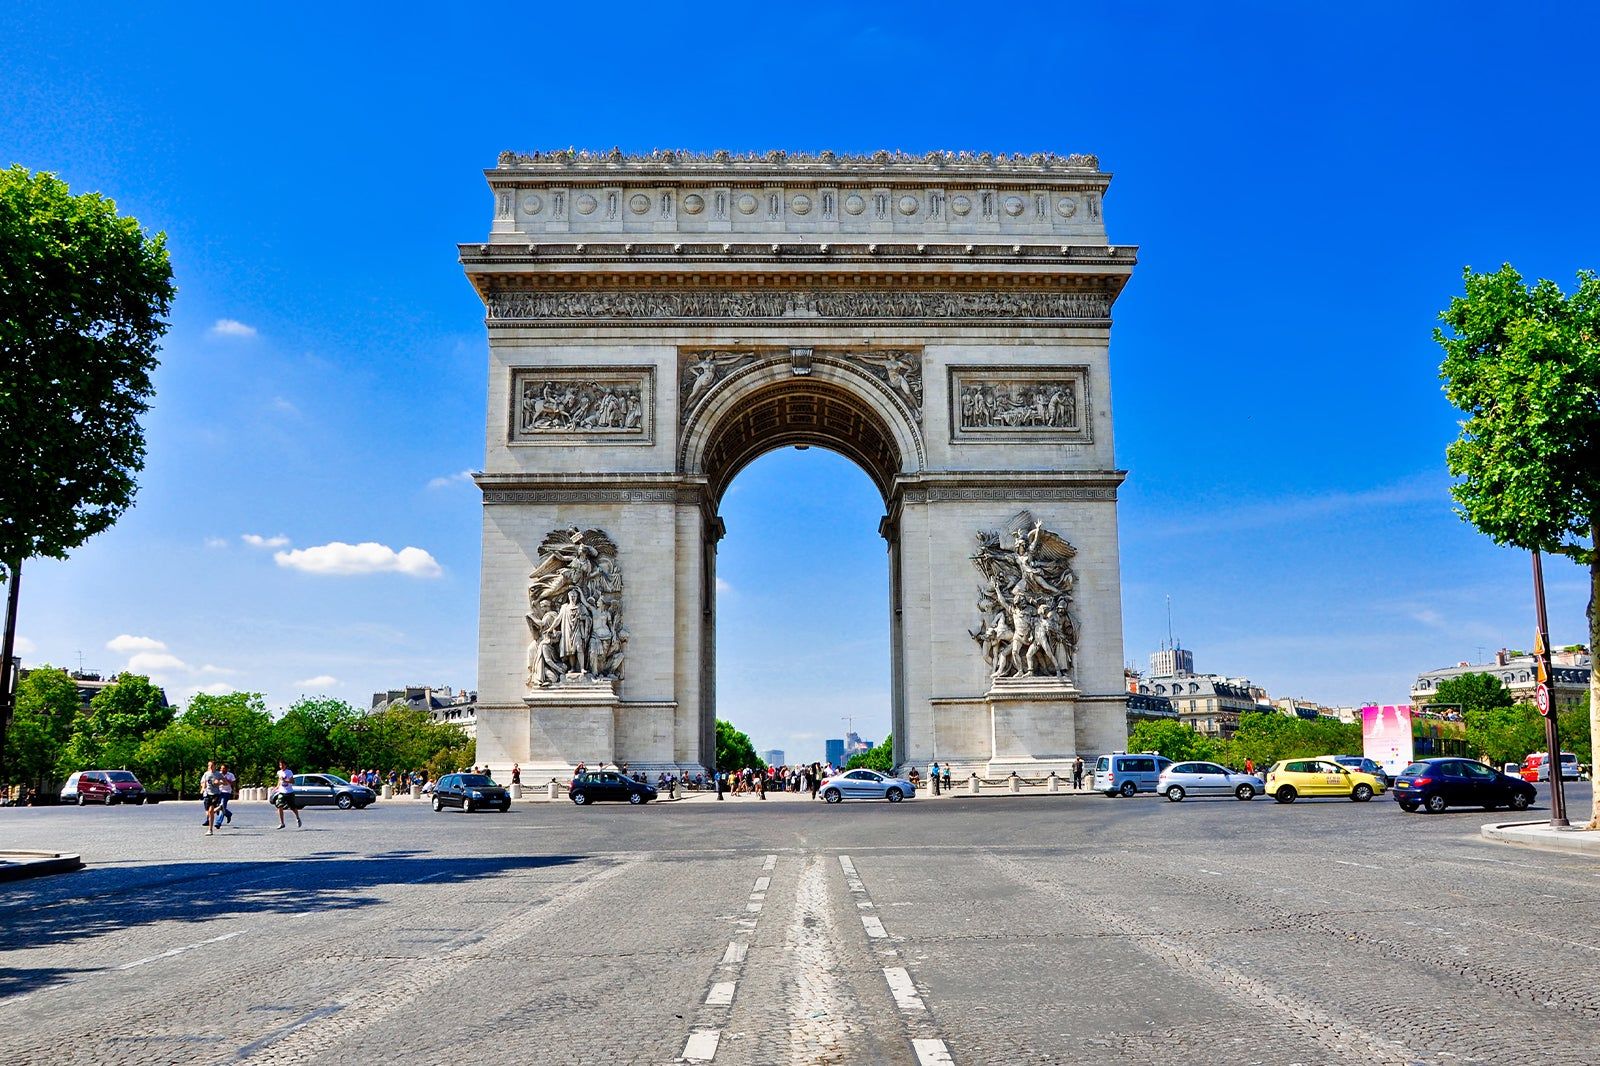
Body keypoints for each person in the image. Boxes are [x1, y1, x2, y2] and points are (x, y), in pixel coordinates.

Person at [274, 760, 301, 829]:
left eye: (282, 765)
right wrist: (277, 787)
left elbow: (292, 781)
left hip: (289, 792)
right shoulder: (279, 772)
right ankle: (282, 823)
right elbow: (279, 780)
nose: (281, 766)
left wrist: (285, 780)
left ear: (285, 765)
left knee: (292, 807)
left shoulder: (289, 772)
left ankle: (297, 818)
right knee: (279, 806)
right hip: (282, 792)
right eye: (280, 765)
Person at [200, 760, 224, 835]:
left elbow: (225, 782)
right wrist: (203, 788)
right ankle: (220, 808)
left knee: (210, 811)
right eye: (208, 765)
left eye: (211, 765)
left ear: (215, 766)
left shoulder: (218, 774)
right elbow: (203, 782)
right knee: (208, 813)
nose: (209, 767)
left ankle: (210, 830)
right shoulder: (206, 774)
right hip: (207, 794)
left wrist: (219, 782)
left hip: (215, 794)